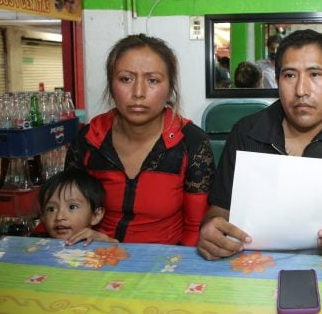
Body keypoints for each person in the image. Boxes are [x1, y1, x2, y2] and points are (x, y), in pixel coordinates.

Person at [198, 29, 322, 268]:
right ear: (277, 80)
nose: (301, 90)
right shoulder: (245, 132)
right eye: (290, 75)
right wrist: (212, 231)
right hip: (250, 266)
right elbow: (219, 211)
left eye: (315, 74)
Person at [64, 34, 215, 246]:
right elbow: (66, 213)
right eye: (126, 79)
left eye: (152, 80)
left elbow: (195, 228)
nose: (138, 93)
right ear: (111, 84)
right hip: (96, 256)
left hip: (166, 262)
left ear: (170, 87)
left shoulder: (192, 143)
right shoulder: (89, 139)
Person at [37, 170, 117, 245]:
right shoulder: (36, 244)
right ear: (42, 216)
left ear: (96, 215)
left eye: (72, 207)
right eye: (51, 209)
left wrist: (106, 242)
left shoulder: (99, 242)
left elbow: (123, 250)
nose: (59, 216)